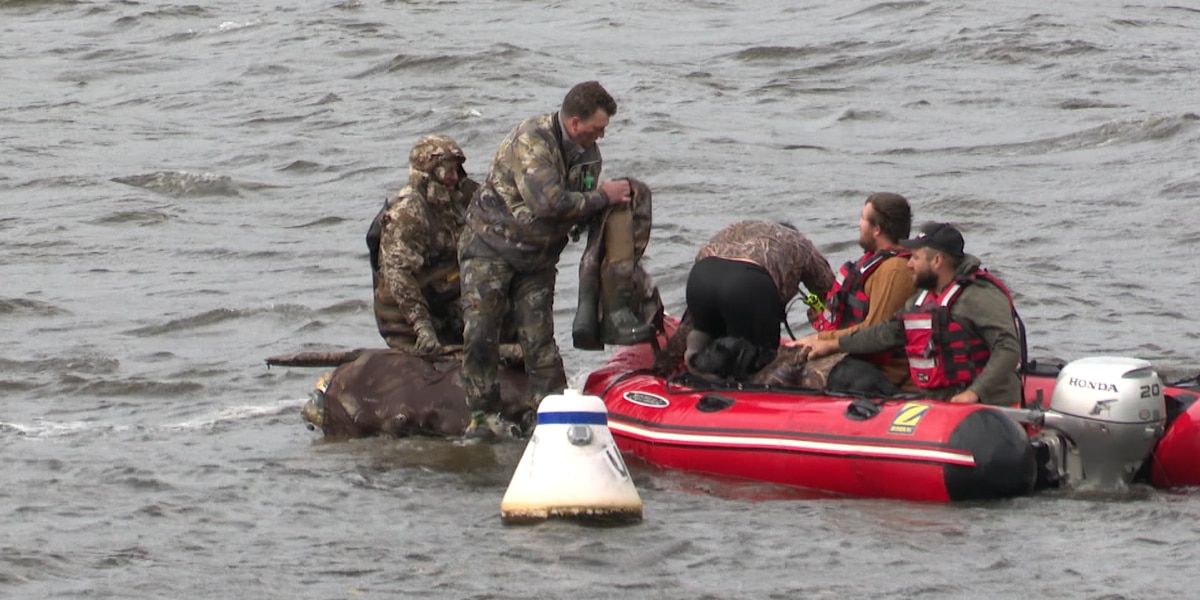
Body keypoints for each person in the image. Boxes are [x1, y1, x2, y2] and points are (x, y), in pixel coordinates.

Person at [458, 81, 634, 438]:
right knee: (481, 332)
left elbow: (579, 211)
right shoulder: (532, 140)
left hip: (537, 259)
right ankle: (481, 416)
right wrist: (604, 196)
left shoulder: (588, 156)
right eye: (597, 128)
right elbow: (550, 203)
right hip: (490, 248)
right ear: (573, 122)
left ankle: (550, 413)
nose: (601, 136)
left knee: (539, 338)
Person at [791, 222, 1023, 405]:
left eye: (915, 257)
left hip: (988, 406)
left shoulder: (978, 296)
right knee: (849, 373)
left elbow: (1007, 347)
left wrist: (975, 393)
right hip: (942, 403)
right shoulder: (921, 301)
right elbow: (885, 333)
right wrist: (831, 344)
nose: (909, 264)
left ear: (938, 261)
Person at [367, 135, 478, 354]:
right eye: (448, 171)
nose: (454, 177)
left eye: (457, 170)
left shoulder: (457, 200)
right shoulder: (407, 213)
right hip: (406, 315)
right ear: (429, 173)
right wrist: (422, 327)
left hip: (447, 301)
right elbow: (399, 276)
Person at [683, 220, 835, 378]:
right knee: (758, 362)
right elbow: (829, 288)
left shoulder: (741, 227)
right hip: (748, 284)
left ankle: (692, 363)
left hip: (700, 277)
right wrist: (818, 310)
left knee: (707, 336)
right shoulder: (799, 242)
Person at [803, 192, 917, 389]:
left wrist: (820, 339)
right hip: (859, 359)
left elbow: (875, 334)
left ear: (877, 230)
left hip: (885, 375)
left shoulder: (895, 270)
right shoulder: (877, 263)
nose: (859, 225)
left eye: (863, 219)